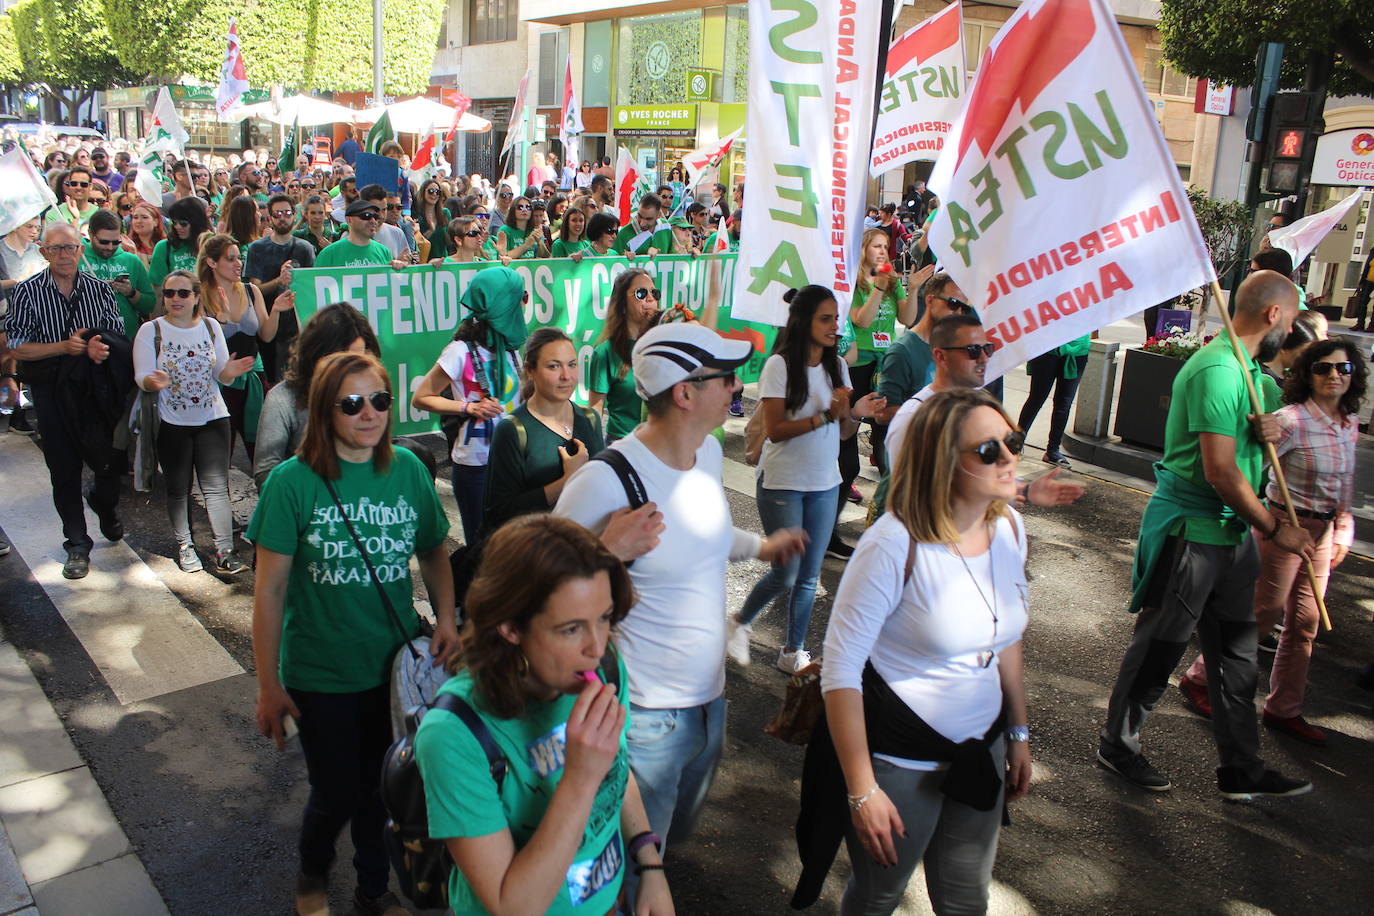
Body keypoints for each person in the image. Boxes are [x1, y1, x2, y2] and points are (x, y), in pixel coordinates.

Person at [553, 323, 805, 885]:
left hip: (709, 702)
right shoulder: (606, 480)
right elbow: (534, 585)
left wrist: (761, 547)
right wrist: (605, 551)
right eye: (725, 377)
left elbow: (704, 534)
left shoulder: (707, 452)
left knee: (672, 836)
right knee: (634, 868)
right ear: (685, 393)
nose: (736, 386)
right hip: (643, 717)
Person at [249, 351, 458, 916]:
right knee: (337, 790)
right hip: (320, 673)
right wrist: (268, 686)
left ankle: (372, 889)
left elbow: (433, 549)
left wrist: (447, 619)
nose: (369, 413)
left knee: (385, 786)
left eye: (380, 400)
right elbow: (269, 594)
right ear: (324, 410)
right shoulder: (291, 484)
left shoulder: (408, 469)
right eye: (352, 403)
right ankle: (313, 871)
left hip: (393, 670)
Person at [1097, 270, 1316, 799]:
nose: (1291, 331)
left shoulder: (1251, 372)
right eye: (1290, 320)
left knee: (1237, 657)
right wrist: (1275, 529)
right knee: (1160, 647)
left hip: (1231, 536)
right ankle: (1118, 745)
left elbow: (1269, 429)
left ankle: (1242, 767)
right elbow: (1220, 471)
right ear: (1273, 314)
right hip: (1191, 532)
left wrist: (1270, 427)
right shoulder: (1216, 369)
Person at [814, 387, 1031, 916]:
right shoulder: (893, 543)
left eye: (1014, 441)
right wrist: (862, 789)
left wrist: (1017, 732)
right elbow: (840, 669)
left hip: (982, 745)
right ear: (943, 461)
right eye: (989, 450)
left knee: (966, 899)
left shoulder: (1009, 526)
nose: (1009, 457)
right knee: (879, 896)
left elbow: (1004, 637)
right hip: (900, 757)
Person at [414, 514, 673, 916]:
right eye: (570, 629)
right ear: (510, 627)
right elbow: (511, 906)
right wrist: (580, 778)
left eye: (604, 617)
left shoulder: (605, 666)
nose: (596, 646)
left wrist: (648, 862)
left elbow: (617, 772)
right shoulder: (453, 734)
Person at [1177, 338, 1364, 746]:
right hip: (1283, 526)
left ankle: (1284, 709)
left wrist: (1343, 530)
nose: (1334, 375)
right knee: (1263, 615)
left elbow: (1345, 484)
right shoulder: (1291, 421)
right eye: (1323, 368)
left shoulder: (1349, 423)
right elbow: (1246, 468)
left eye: (1343, 368)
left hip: (1322, 533)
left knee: (1306, 624)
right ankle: (1199, 678)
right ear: (1308, 375)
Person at [728, 286, 884, 673]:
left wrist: (855, 413)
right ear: (804, 322)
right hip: (782, 482)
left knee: (809, 576)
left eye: (836, 319)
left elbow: (843, 433)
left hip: (825, 482)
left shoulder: (838, 367)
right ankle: (739, 621)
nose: (835, 327)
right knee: (788, 572)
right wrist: (827, 414)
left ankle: (792, 651)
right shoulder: (779, 366)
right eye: (825, 319)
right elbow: (776, 430)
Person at [4, 223, 125, 579]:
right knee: (63, 468)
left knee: (110, 461)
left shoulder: (99, 289)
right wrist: (63, 347)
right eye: (55, 249)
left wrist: (99, 346)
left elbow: (116, 333)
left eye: (70, 247)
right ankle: (76, 543)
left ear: (80, 250)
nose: (64, 255)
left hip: (94, 387)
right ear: (44, 252)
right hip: (51, 389)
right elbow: (17, 345)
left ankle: (104, 503)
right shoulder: (27, 292)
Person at [133, 270, 254, 573]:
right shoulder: (151, 330)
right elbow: (141, 376)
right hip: (171, 423)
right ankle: (185, 546)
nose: (176, 299)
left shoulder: (211, 327)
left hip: (213, 419)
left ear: (197, 297)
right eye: (169, 293)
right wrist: (152, 381)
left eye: (183, 293)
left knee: (216, 488)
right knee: (178, 488)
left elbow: (222, 374)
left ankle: (226, 551)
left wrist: (231, 372)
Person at [412, 268, 529, 542]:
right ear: (502, 305)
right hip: (476, 465)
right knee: (480, 547)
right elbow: (421, 397)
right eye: (521, 297)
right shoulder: (459, 351)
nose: (525, 303)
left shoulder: (509, 347)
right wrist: (468, 407)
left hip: (513, 461)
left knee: (514, 543)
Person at [482, 326, 602, 534]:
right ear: (530, 370)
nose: (566, 376)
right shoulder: (513, 430)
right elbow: (499, 513)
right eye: (554, 366)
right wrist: (566, 481)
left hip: (586, 544)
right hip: (538, 548)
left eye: (572, 365)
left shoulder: (590, 419)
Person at [253, 303, 379, 488]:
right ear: (317, 354)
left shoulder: (373, 394)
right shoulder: (283, 399)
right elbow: (266, 473)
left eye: (359, 358)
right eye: (341, 359)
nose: (351, 367)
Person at [198, 234, 293, 460]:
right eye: (230, 259)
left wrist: (276, 310)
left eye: (239, 258)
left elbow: (266, 335)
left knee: (263, 447)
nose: (238, 263)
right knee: (220, 451)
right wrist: (221, 319)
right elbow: (201, 345)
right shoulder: (199, 295)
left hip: (254, 377)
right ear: (212, 262)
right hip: (219, 381)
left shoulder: (251, 290)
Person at [850, 228, 922, 475]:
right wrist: (878, 289)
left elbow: (907, 318)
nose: (882, 251)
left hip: (886, 363)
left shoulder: (891, 281)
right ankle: (847, 477)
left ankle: (886, 477)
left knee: (885, 423)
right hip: (859, 362)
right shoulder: (853, 281)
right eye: (876, 246)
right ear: (863, 249)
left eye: (884, 246)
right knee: (851, 423)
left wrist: (913, 290)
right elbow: (862, 320)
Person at [244, 194, 316, 384]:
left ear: (295, 215)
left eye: (287, 213)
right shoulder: (257, 248)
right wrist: (279, 280)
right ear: (270, 217)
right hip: (268, 326)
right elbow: (255, 290)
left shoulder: (305, 248)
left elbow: (312, 290)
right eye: (277, 214)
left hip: (297, 327)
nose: (282, 218)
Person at [590, 270, 660, 443]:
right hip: (622, 445)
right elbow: (595, 411)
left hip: (661, 445)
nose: (650, 298)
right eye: (641, 293)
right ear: (621, 304)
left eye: (654, 293)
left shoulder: (665, 345)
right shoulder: (605, 351)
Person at [1016, 334, 1092, 468]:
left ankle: (1053, 451)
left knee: (1064, 404)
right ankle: (1016, 444)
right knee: (1036, 399)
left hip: (1078, 349)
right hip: (1048, 348)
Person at [81, 210, 153, 337]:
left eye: (115, 242)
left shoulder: (132, 261)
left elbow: (149, 305)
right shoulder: (77, 258)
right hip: (86, 335)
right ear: (91, 234)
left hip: (124, 337)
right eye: (104, 242)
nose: (110, 247)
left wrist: (131, 292)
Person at [315, 200, 409, 270]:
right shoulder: (329, 253)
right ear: (349, 220)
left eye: (375, 217)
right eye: (366, 216)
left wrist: (397, 270)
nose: (373, 221)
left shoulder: (384, 251)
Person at [149, 197, 211, 291]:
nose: (177, 227)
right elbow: (157, 287)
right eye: (174, 222)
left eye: (183, 223)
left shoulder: (210, 244)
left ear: (196, 223)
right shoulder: (164, 247)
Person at [495, 196, 549, 260]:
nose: (524, 210)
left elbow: (545, 257)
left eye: (528, 207)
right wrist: (526, 245)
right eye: (520, 207)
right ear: (513, 210)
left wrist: (540, 242)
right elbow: (503, 256)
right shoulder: (505, 230)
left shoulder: (534, 230)